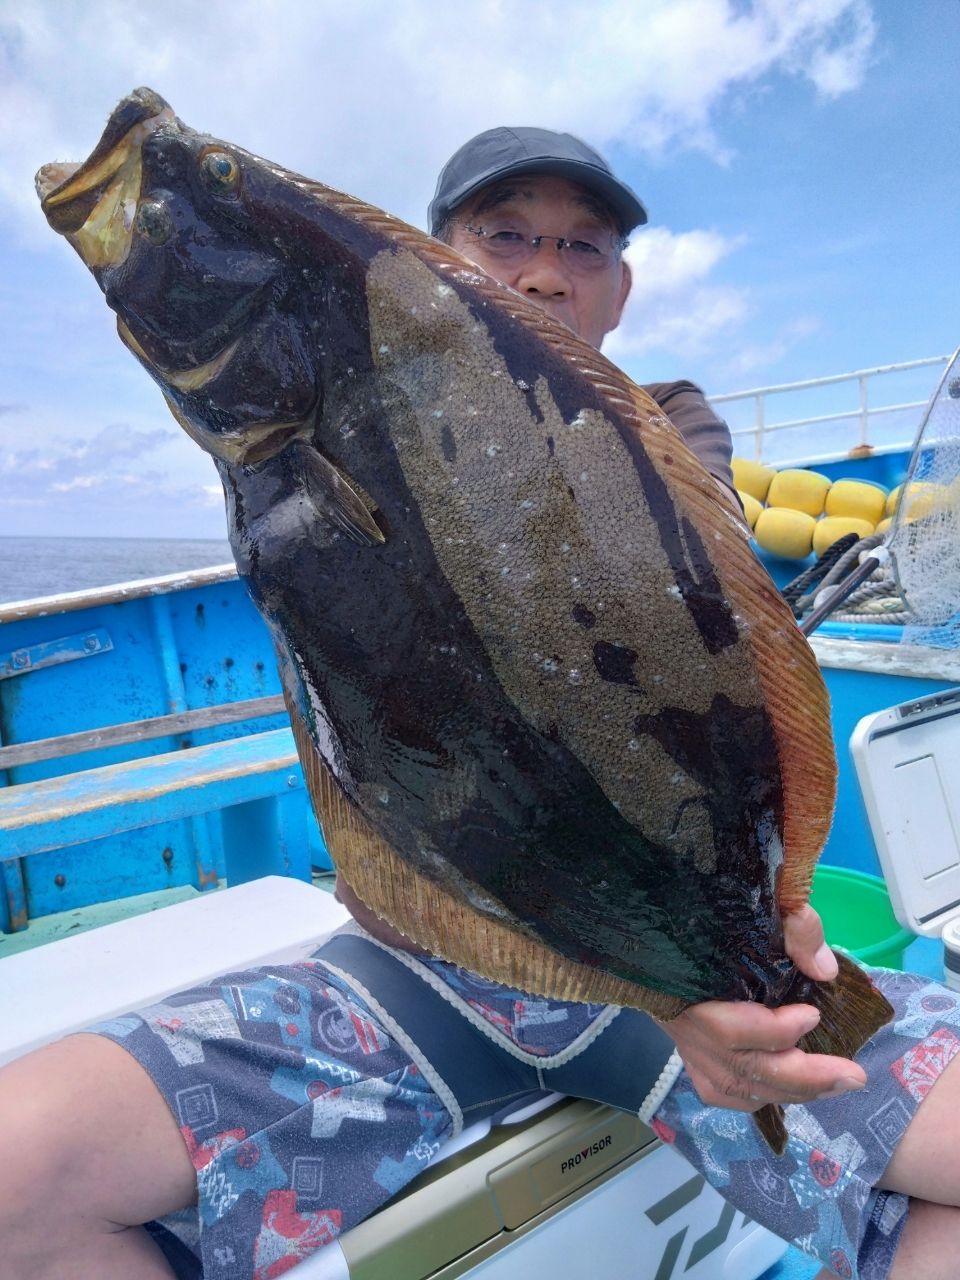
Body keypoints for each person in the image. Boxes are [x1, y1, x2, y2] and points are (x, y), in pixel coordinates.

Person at [2, 127, 959, 1280]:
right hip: (424, 969)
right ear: (434, 250)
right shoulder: (329, 421)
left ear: (620, 285)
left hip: (665, 968)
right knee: (19, 1174)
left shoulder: (665, 432)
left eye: (582, 244)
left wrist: (691, 988)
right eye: (505, 233)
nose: (545, 268)